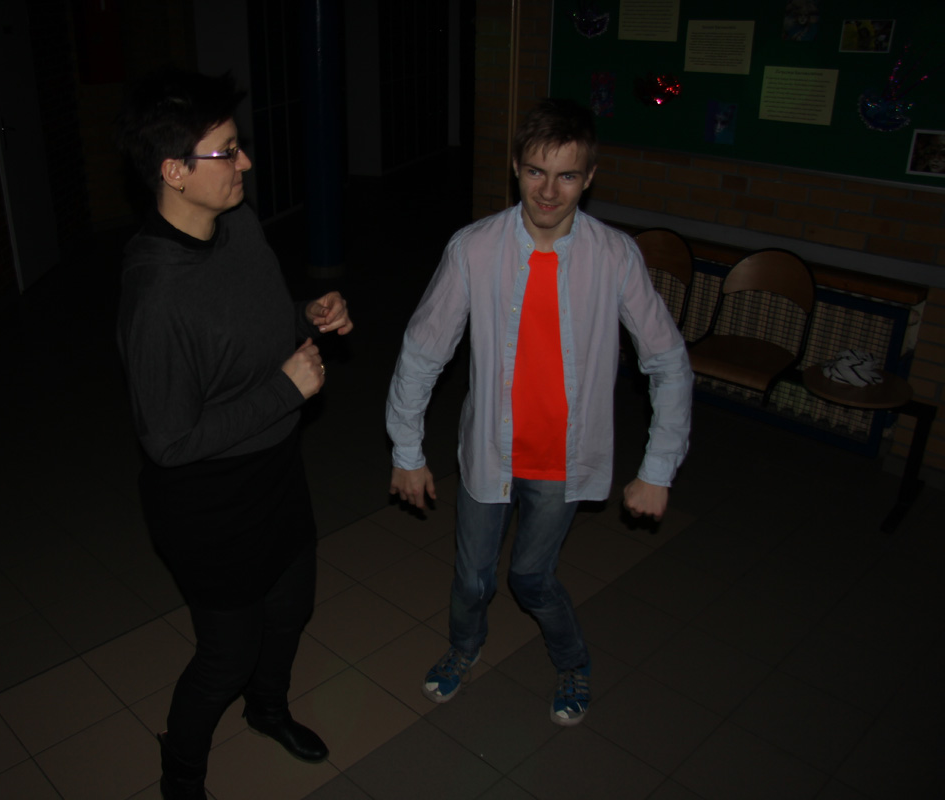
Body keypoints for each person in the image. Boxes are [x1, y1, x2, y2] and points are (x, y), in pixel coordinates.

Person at [386, 98, 692, 726]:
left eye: (567, 175)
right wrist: (407, 451)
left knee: (530, 578)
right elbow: (422, 353)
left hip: (563, 462)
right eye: (535, 172)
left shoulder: (614, 256)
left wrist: (657, 469)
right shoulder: (474, 249)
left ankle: (572, 662)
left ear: (590, 176)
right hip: (489, 453)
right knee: (472, 579)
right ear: (516, 168)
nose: (549, 192)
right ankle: (464, 646)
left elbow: (668, 362)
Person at [116, 69, 352, 799]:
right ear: (175, 172)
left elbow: (253, 317)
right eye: (226, 151)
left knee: (291, 608)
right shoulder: (157, 296)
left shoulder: (237, 223)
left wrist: (307, 313)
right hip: (209, 505)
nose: (245, 161)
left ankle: (268, 710)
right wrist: (285, 389)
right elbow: (168, 441)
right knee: (226, 655)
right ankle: (181, 774)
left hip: (276, 472)